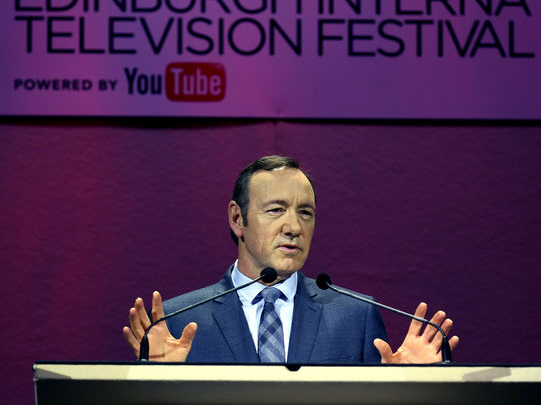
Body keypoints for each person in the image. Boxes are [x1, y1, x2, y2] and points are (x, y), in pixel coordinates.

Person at [123, 155, 459, 363]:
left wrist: (404, 389)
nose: (294, 227)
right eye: (276, 210)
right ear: (238, 219)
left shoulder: (355, 316)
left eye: (305, 213)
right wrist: (157, 384)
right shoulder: (177, 320)